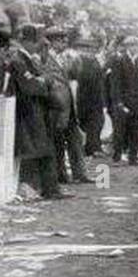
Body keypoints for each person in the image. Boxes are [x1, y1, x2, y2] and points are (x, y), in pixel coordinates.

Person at [8, 25, 69, 200]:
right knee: (35, 152)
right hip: (29, 112)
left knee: (46, 150)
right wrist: (45, 81)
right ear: (28, 42)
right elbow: (31, 86)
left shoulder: (28, 59)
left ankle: (51, 189)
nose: (40, 47)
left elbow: (38, 82)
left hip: (38, 111)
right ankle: (40, 189)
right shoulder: (19, 60)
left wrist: (42, 81)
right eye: (37, 43)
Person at [43, 27, 89, 184]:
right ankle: (61, 174)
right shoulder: (45, 59)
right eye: (61, 40)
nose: (64, 43)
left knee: (75, 140)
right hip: (55, 106)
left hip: (68, 105)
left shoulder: (67, 57)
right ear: (53, 41)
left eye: (65, 40)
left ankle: (80, 173)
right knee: (57, 142)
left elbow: (75, 75)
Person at [105, 34, 138, 166]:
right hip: (123, 101)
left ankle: (133, 158)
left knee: (134, 130)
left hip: (136, 102)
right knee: (120, 130)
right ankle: (116, 157)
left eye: (137, 45)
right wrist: (118, 102)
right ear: (127, 46)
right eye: (133, 45)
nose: (136, 48)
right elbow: (115, 83)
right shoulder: (119, 60)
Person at [73, 36, 107, 156]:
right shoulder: (82, 61)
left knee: (96, 123)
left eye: (92, 48)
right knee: (91, 123)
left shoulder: (94, 61)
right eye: (89, 48)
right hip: (86, 97)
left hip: (94, 98)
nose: (91, 51)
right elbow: (82, 79)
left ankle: (92, 147)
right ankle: (92, 148)